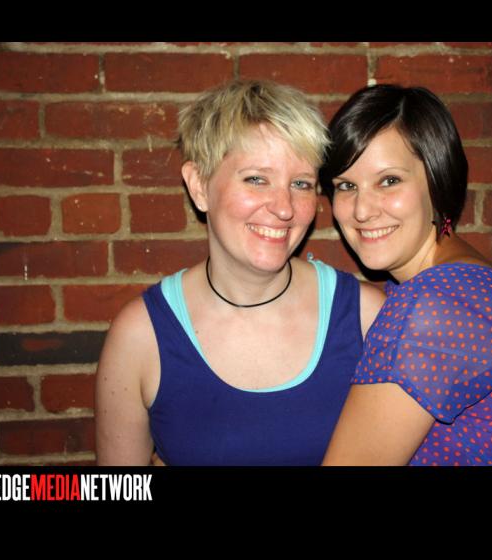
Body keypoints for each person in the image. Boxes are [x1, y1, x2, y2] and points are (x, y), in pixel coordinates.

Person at [95, 79, 385, 465]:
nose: (284, 207)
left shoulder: (366, 317)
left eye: (301, 184)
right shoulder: (141, 336)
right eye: (256, 179)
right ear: (199, 186)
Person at [319, 84, 492, 466]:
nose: (362, 210)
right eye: (346, 186)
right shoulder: (468, 282)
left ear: (437, 181)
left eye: (389, 180)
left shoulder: (432, 308)